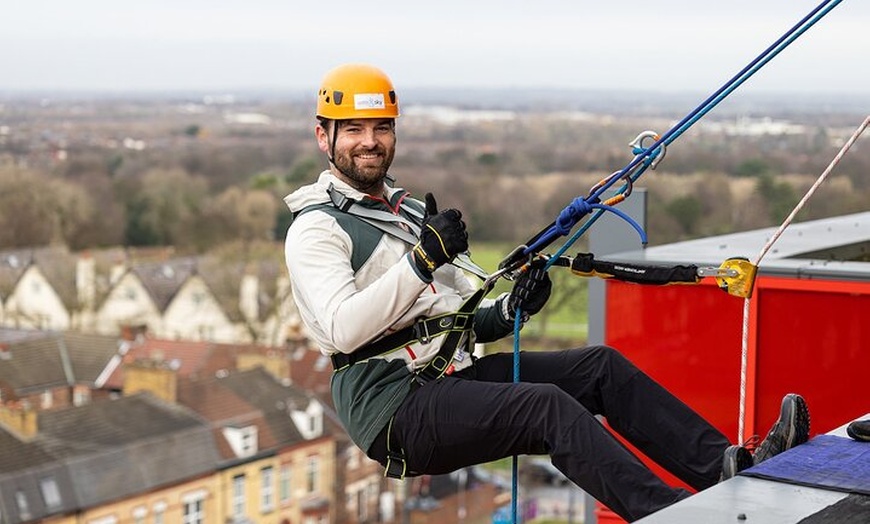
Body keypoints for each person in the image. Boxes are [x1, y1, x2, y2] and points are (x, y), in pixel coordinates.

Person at [283, 63, 811, 522]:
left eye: (380, 128)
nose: (369, 141)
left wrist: (511, 309)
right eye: (352, 129)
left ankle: (732, 467)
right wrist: (423, 261)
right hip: (393, 409)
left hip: (446, 376)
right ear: (322, 136)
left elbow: (455, 319)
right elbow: (343, 329)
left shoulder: (408, 212)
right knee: (545, 407)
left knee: (600, 368)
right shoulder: (318, 229)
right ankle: (669, 516)